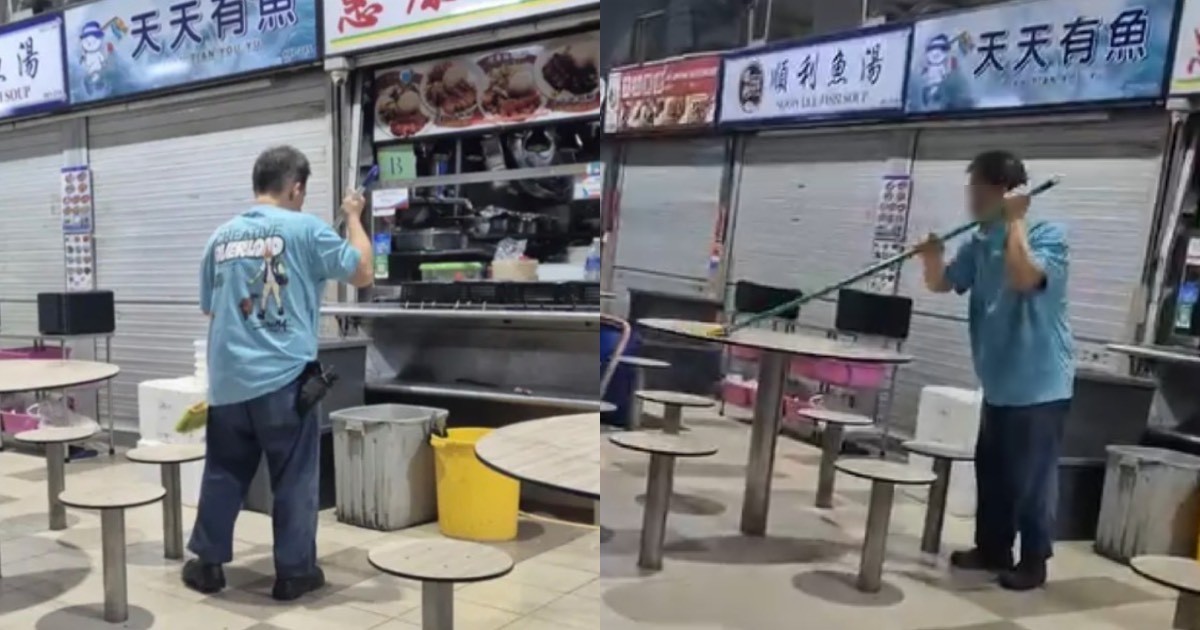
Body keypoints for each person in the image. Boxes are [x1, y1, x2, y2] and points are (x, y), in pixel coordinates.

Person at [183, 146, 373, 600]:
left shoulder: (221, 236)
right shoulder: (305, 228)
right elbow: (363, 271)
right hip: (285, 381)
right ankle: (293, 573)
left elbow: (212, 308)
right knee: (292, 478)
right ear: (297, 187)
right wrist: (353, 217)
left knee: (224, 472)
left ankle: (208, 566)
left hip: (228, 381)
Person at [916, 150, 1073, 591]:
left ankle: (1033, 560)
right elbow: (943, 282)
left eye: (980, 192)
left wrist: (1016, 222)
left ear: (1006, 194)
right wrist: (933, 255)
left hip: (1040, 384)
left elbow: (1025, 279)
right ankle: (992, 548)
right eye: (971, 191)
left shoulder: (1048, 235)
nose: (972, 201)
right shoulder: (979, 242)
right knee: (995, 472)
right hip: (1000, 381)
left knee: (1032, 481)